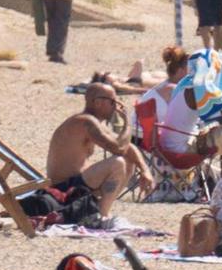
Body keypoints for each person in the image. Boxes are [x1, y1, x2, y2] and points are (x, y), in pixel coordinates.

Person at [44, 83, 152, 221]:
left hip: (78, 184)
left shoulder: (93, 122)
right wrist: (127, 123)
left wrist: (144, 169)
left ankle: (99, 211)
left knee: (128, 161)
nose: (116, 106)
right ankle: (101, 215)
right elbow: (119, 148)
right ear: (98, 102)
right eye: (113, 101)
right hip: (63, 188)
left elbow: (127, 147)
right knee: (117, 163)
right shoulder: (85, 122)